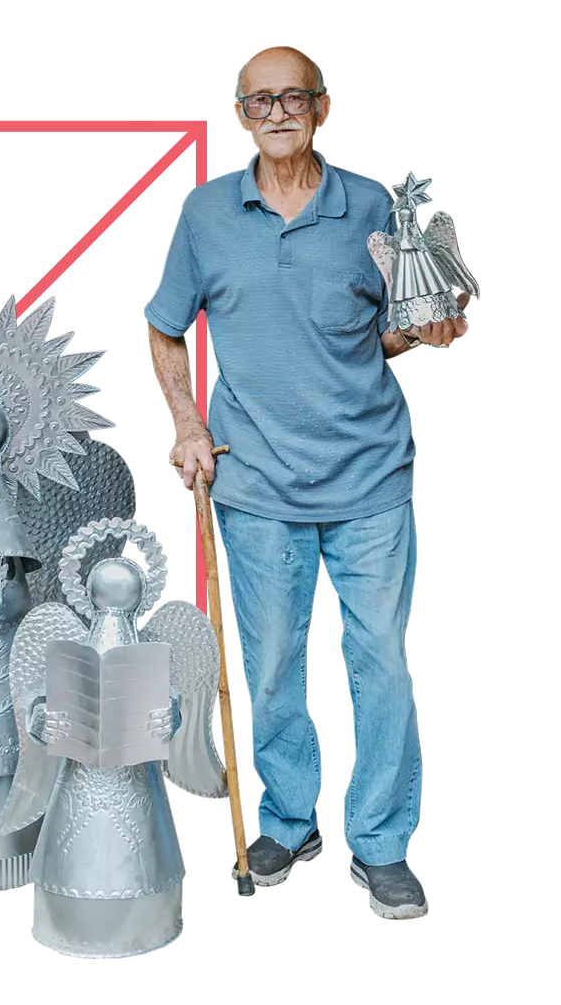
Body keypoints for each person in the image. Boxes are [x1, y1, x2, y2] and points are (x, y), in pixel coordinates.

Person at [144, 45, 468, 920]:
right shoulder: (207, 214)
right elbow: (166, 328)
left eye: (294, 97)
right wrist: (186, 423)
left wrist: (426, 326)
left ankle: (381, 843)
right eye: (260, 101)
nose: (278, 113)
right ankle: (289, 820)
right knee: (274, 667)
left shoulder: (376, 207)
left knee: (382, 666)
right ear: (240, 116)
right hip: (256, 485)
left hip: (369, 478)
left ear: (323, 108)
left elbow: (396, 331)